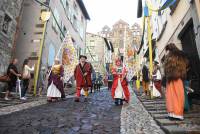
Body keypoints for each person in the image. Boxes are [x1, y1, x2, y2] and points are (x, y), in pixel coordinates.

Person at [164, 43, 188, 120]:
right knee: (171, 96)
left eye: (167, 50)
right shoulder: (178, 55)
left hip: (175, 77)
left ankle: (177, 114)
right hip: (172, 78)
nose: (167, 52)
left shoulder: (174, 56)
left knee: (176, 96)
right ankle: (172, 114)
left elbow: (173, 66)